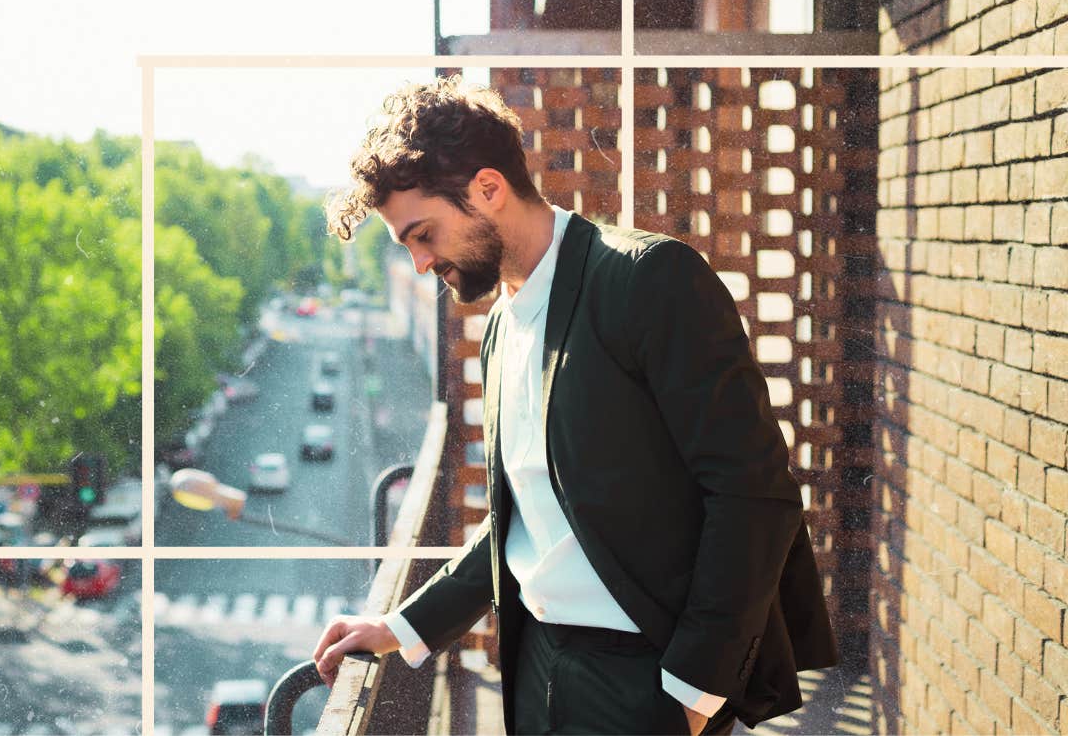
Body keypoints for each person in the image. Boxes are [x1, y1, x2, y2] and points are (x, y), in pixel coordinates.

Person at [311, 76, 838, 735]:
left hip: (647, 680)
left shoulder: (648, 279)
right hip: (535, 668)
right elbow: (521, 517)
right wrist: (401, 625)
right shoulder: (501, 328)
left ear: (488, 189)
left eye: (424, 234)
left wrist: (695, 690)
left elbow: (753, 493)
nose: (420, 264)